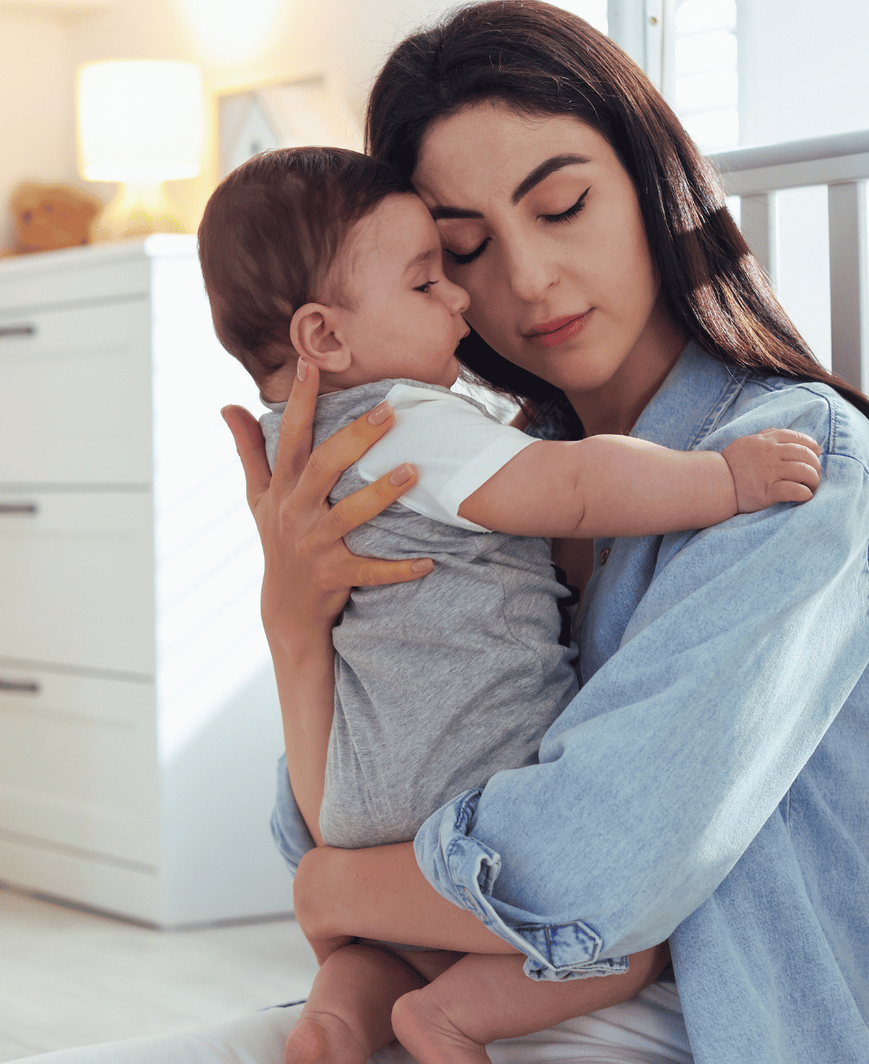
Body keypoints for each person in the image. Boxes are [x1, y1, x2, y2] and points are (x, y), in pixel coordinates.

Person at [8, 0, 869, 1064]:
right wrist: (293, 625)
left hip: (717, 1030)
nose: (526, 281)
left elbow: (590, 871)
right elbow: (346, 814)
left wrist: (339, 886)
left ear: (653, 184)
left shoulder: (792, 471)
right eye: (460, 250)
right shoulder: (472, 477)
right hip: (470, 998)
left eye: (565, 205)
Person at [194, 144, 822, 1064]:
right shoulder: (402, 421)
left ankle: (337, 1020)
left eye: (562, 206)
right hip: (460, 767)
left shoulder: (313, 453)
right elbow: (568, 487)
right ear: (325, 337)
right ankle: (448, 1021)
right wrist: (723, 480)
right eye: (427, 279)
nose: (460, 298)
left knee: (386, 954)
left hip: (357, 784)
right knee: (620, 943)